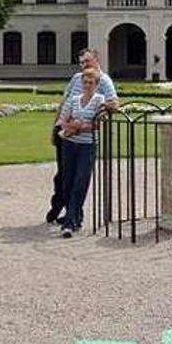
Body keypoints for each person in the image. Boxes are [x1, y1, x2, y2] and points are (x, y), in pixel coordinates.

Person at [47, 48, 118, 224]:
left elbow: (113, 103)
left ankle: (71, 215)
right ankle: (62, 206)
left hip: (84, 136)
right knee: (63, 175)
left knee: (78, 177)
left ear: (96, 60)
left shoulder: (103, 81)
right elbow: (65, 101)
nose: (84, 65)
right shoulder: (76, 78)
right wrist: (56, 128)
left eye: (87, 61)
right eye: (81, 62)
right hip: (64, 131)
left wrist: (86, 122)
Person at [56, 66, 107, 238]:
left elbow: (100, 124)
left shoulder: (100, 100)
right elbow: (62, 121)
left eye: (91, 82)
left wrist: (79, 127)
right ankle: (76, 217)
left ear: (96, 84)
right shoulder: (73, 99)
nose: (87, 85)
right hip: (69, 144)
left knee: (80, 183)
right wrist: (74, 127)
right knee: (68, 183)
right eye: (85, 82)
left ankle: (68, 223)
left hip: (87, 146)